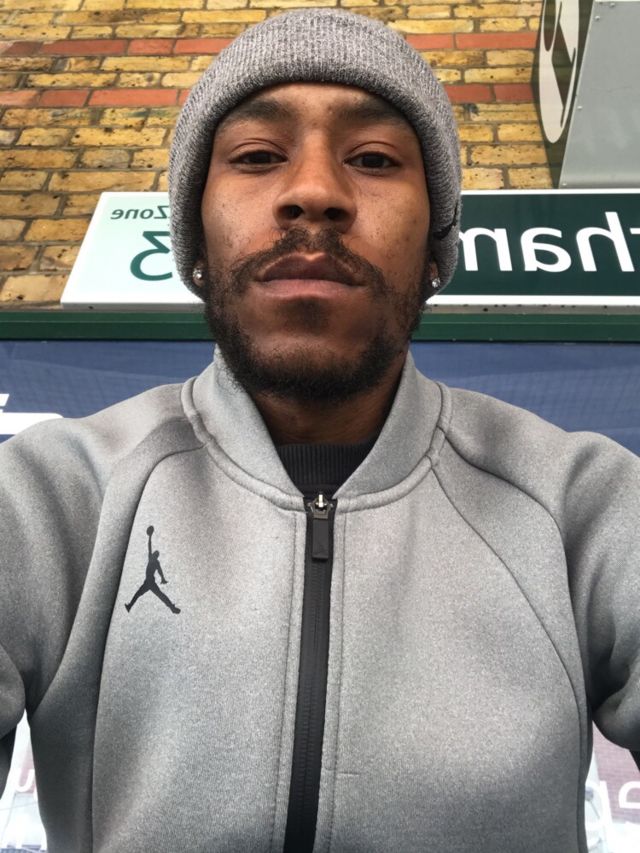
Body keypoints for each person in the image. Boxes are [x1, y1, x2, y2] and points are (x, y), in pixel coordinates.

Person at [0, 8, 638, 853]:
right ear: (193, 241)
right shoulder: (48, 498)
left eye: (372, 159)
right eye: (257, 156)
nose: (314, 191)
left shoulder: (585, 507)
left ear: (436, 251)